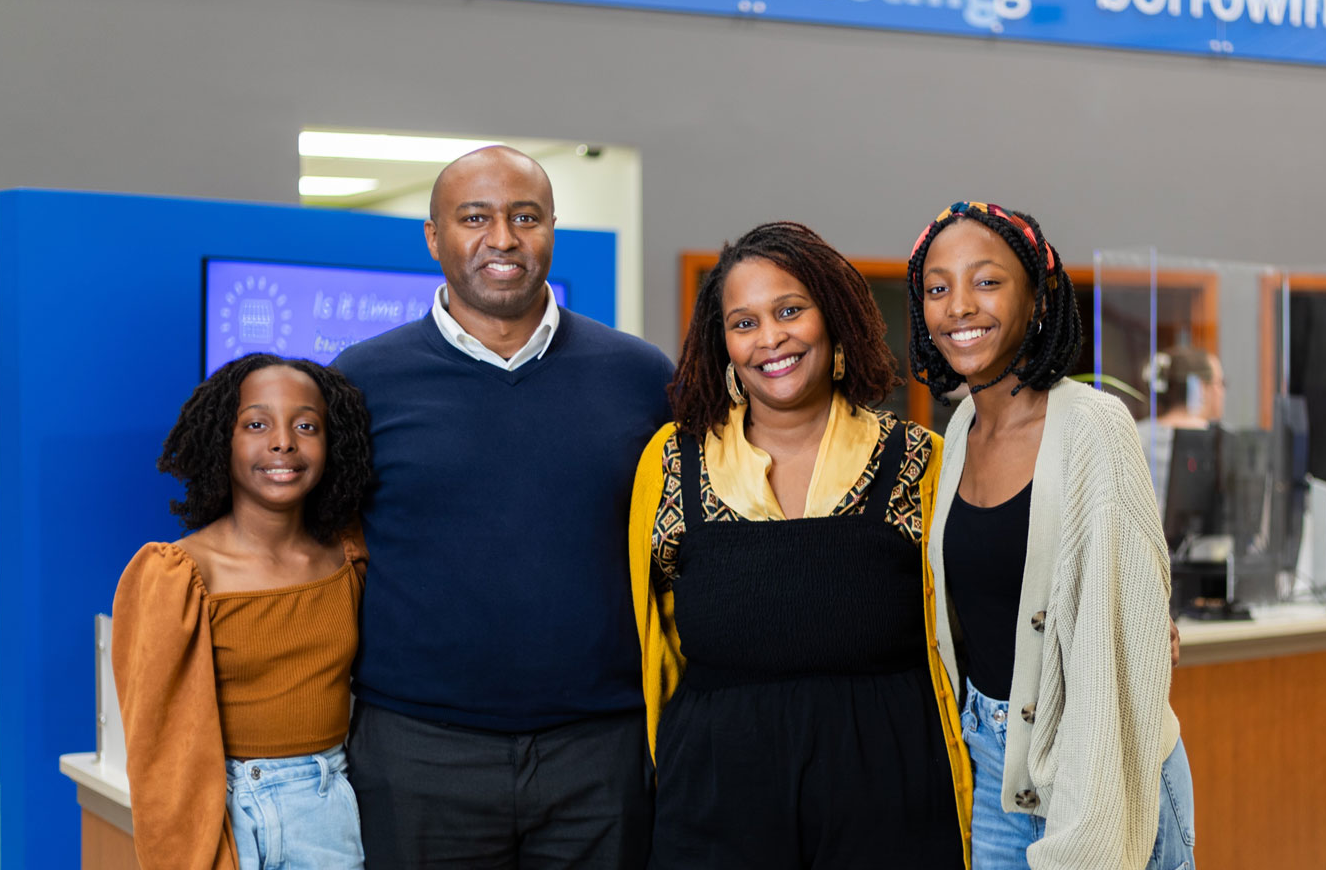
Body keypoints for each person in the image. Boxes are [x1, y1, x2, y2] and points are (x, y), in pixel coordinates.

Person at [331, 145, 675, 868]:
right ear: (433, 236)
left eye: (525, 217)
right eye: (474, 217)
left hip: (601, 753)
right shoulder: (360, 383)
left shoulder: (643, 378)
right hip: (418, 752)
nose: (503, 239)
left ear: (552, 228)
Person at [630, 221, 972, 869]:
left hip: (891, 787)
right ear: (721, 342)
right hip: (713, 793)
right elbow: (651, 637)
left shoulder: (919, 462)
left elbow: (972, 619)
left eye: (789, 311)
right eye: (743, 322)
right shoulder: (671, 463)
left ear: (834, 320)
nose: (770, 339)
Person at [908, 201, 1194, 870]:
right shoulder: (957, 435)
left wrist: (1084, 831)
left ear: (1036, 298)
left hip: (1097, 767)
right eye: (937, 287)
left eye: (986, 281)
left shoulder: (1093, 427)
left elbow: (1120, 658)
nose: (958, 306)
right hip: (994, 762)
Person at [112, 353, 373, 870]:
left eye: (306, 425)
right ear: (221, 441)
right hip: (225, 808)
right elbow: (159, 750)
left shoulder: (349, 558)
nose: (283, 443)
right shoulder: (180, 573)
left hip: (327, 807)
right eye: (257, 424)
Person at [1138, 346, 1226, 514]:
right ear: (1201, 387)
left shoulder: (1134, 435)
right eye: (1221, 383)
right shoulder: (1217, 441)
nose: (1222, 392)